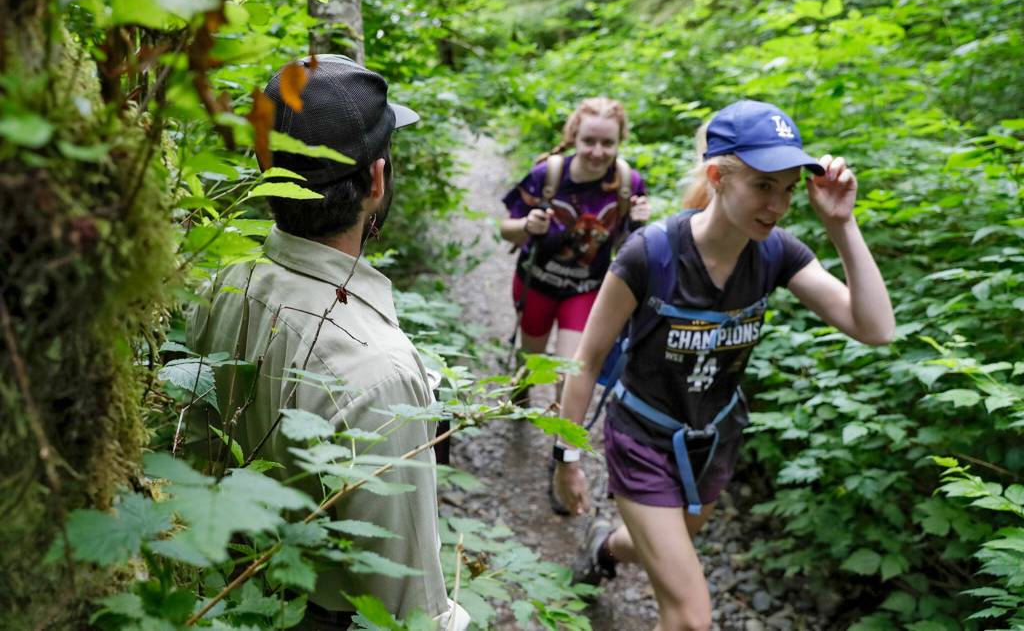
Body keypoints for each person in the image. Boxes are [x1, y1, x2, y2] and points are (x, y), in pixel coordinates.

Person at [551, 100, 895, 631]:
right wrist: (566, 456)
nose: (777, 205)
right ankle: (616, 546)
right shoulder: (650, 254)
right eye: (763, 186)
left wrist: (842, 226)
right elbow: (588, 359)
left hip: (712, 440)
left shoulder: (777, 253)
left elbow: (875, 329)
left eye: (786, 189)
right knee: (690, 617)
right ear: (718, 176)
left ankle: (606, 549)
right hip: (643, 437)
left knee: (673, 539)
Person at [187, 55, 469, 630]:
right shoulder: (382, 373)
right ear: (377, 180)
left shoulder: (223, 284)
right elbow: (410, 609)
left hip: (224, 591)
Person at [500, 97, 650, 394]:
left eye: (607, 143)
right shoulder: (548, 175)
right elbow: (507, 230)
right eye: (589, 141)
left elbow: (622, 245)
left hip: (585, 290)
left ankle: (560, 438)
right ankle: (519, 396)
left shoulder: (627, 183)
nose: (597, 152)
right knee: (531, 359)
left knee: (569, 372)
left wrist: (637, 225)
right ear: (574, 139)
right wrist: (528, 226)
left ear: (620, 141)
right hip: (537, 284)